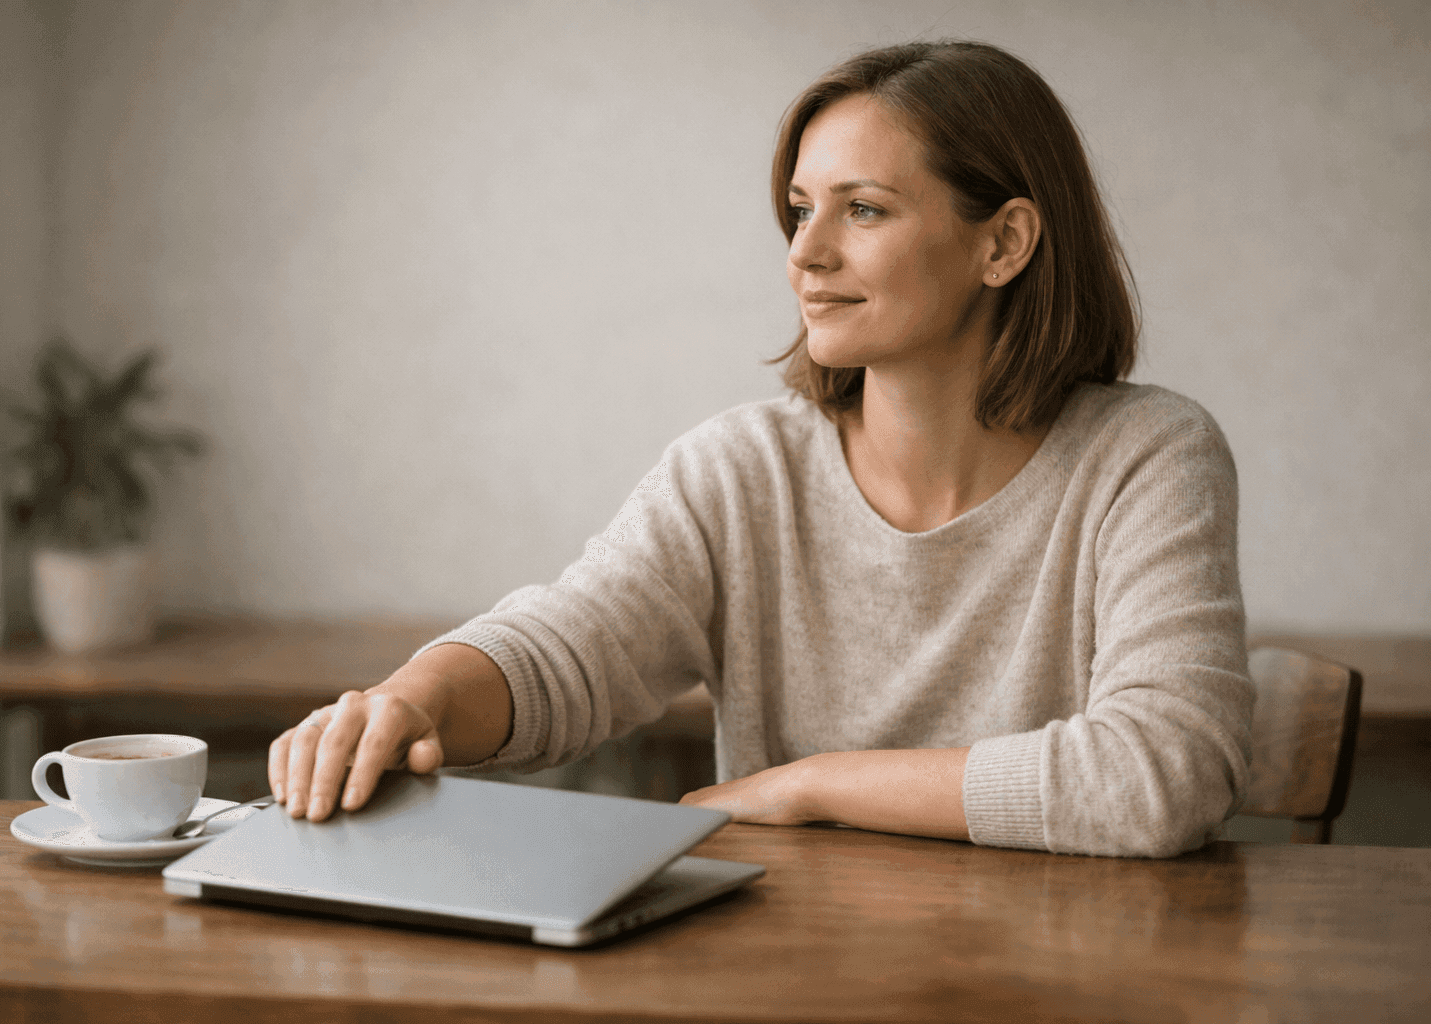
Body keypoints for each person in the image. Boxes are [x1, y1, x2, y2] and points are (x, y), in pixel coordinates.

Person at [269, 39, 1253, 858]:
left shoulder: (1149, 457)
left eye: (861, 209)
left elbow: (1163, 773)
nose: (804, 252)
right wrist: (414, 699)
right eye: (800, 208)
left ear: (1004, 244)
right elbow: (571, 645)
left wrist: (811, 786)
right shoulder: (739, 471)